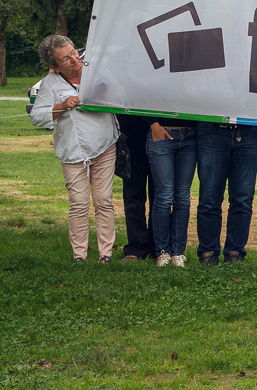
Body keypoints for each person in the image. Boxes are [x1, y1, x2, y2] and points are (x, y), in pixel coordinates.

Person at [30, 35, 118, 264]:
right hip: (72, 151)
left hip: (104, 144)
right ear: (54, 67)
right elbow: (37, 117)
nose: (74, 59)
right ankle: (79, 254)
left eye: (73, 53)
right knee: (79, 203)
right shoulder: (50, 84)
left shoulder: (95, 69)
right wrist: (60, 106)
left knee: (103, 200)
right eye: (66, 59)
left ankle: (105, 253)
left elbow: (121, 92)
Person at [196, 122, 257, 264]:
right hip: (212, 130)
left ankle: (235, 252)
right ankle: (208, 252)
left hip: (249, 131)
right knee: (209, 198)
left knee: (243, 199)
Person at [146, 117, 197, 267]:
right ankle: (162, 252)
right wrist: (153, 124)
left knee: (182, 197)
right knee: (164, 196)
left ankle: (178, 252)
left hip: (189, 136)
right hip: (161, 133)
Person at [116, 113, 157, 262]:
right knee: (133, 194)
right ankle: (136, 247)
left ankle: (157, 247)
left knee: (159, 195)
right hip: (131, 130)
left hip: (162, 129)